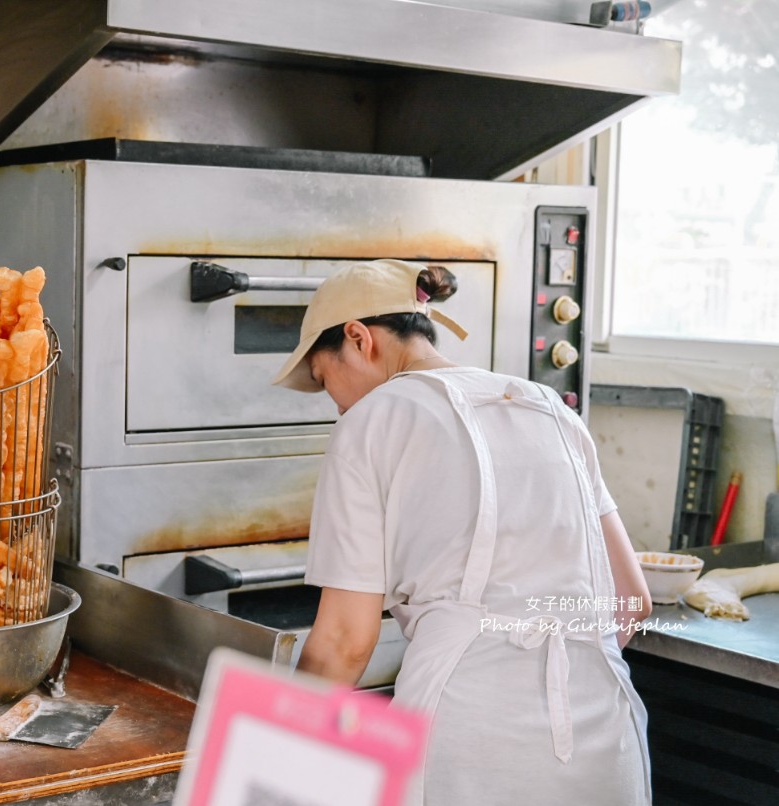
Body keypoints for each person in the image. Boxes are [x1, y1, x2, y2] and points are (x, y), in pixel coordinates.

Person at [272, 259, 653, 805]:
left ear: (358, 338)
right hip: (602, 733)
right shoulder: (553, 409)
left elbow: (343, 643)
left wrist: (277, 744)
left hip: (468, 734)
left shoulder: (371, 421)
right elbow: (632, 602)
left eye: (324, 378)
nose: (335, 404)